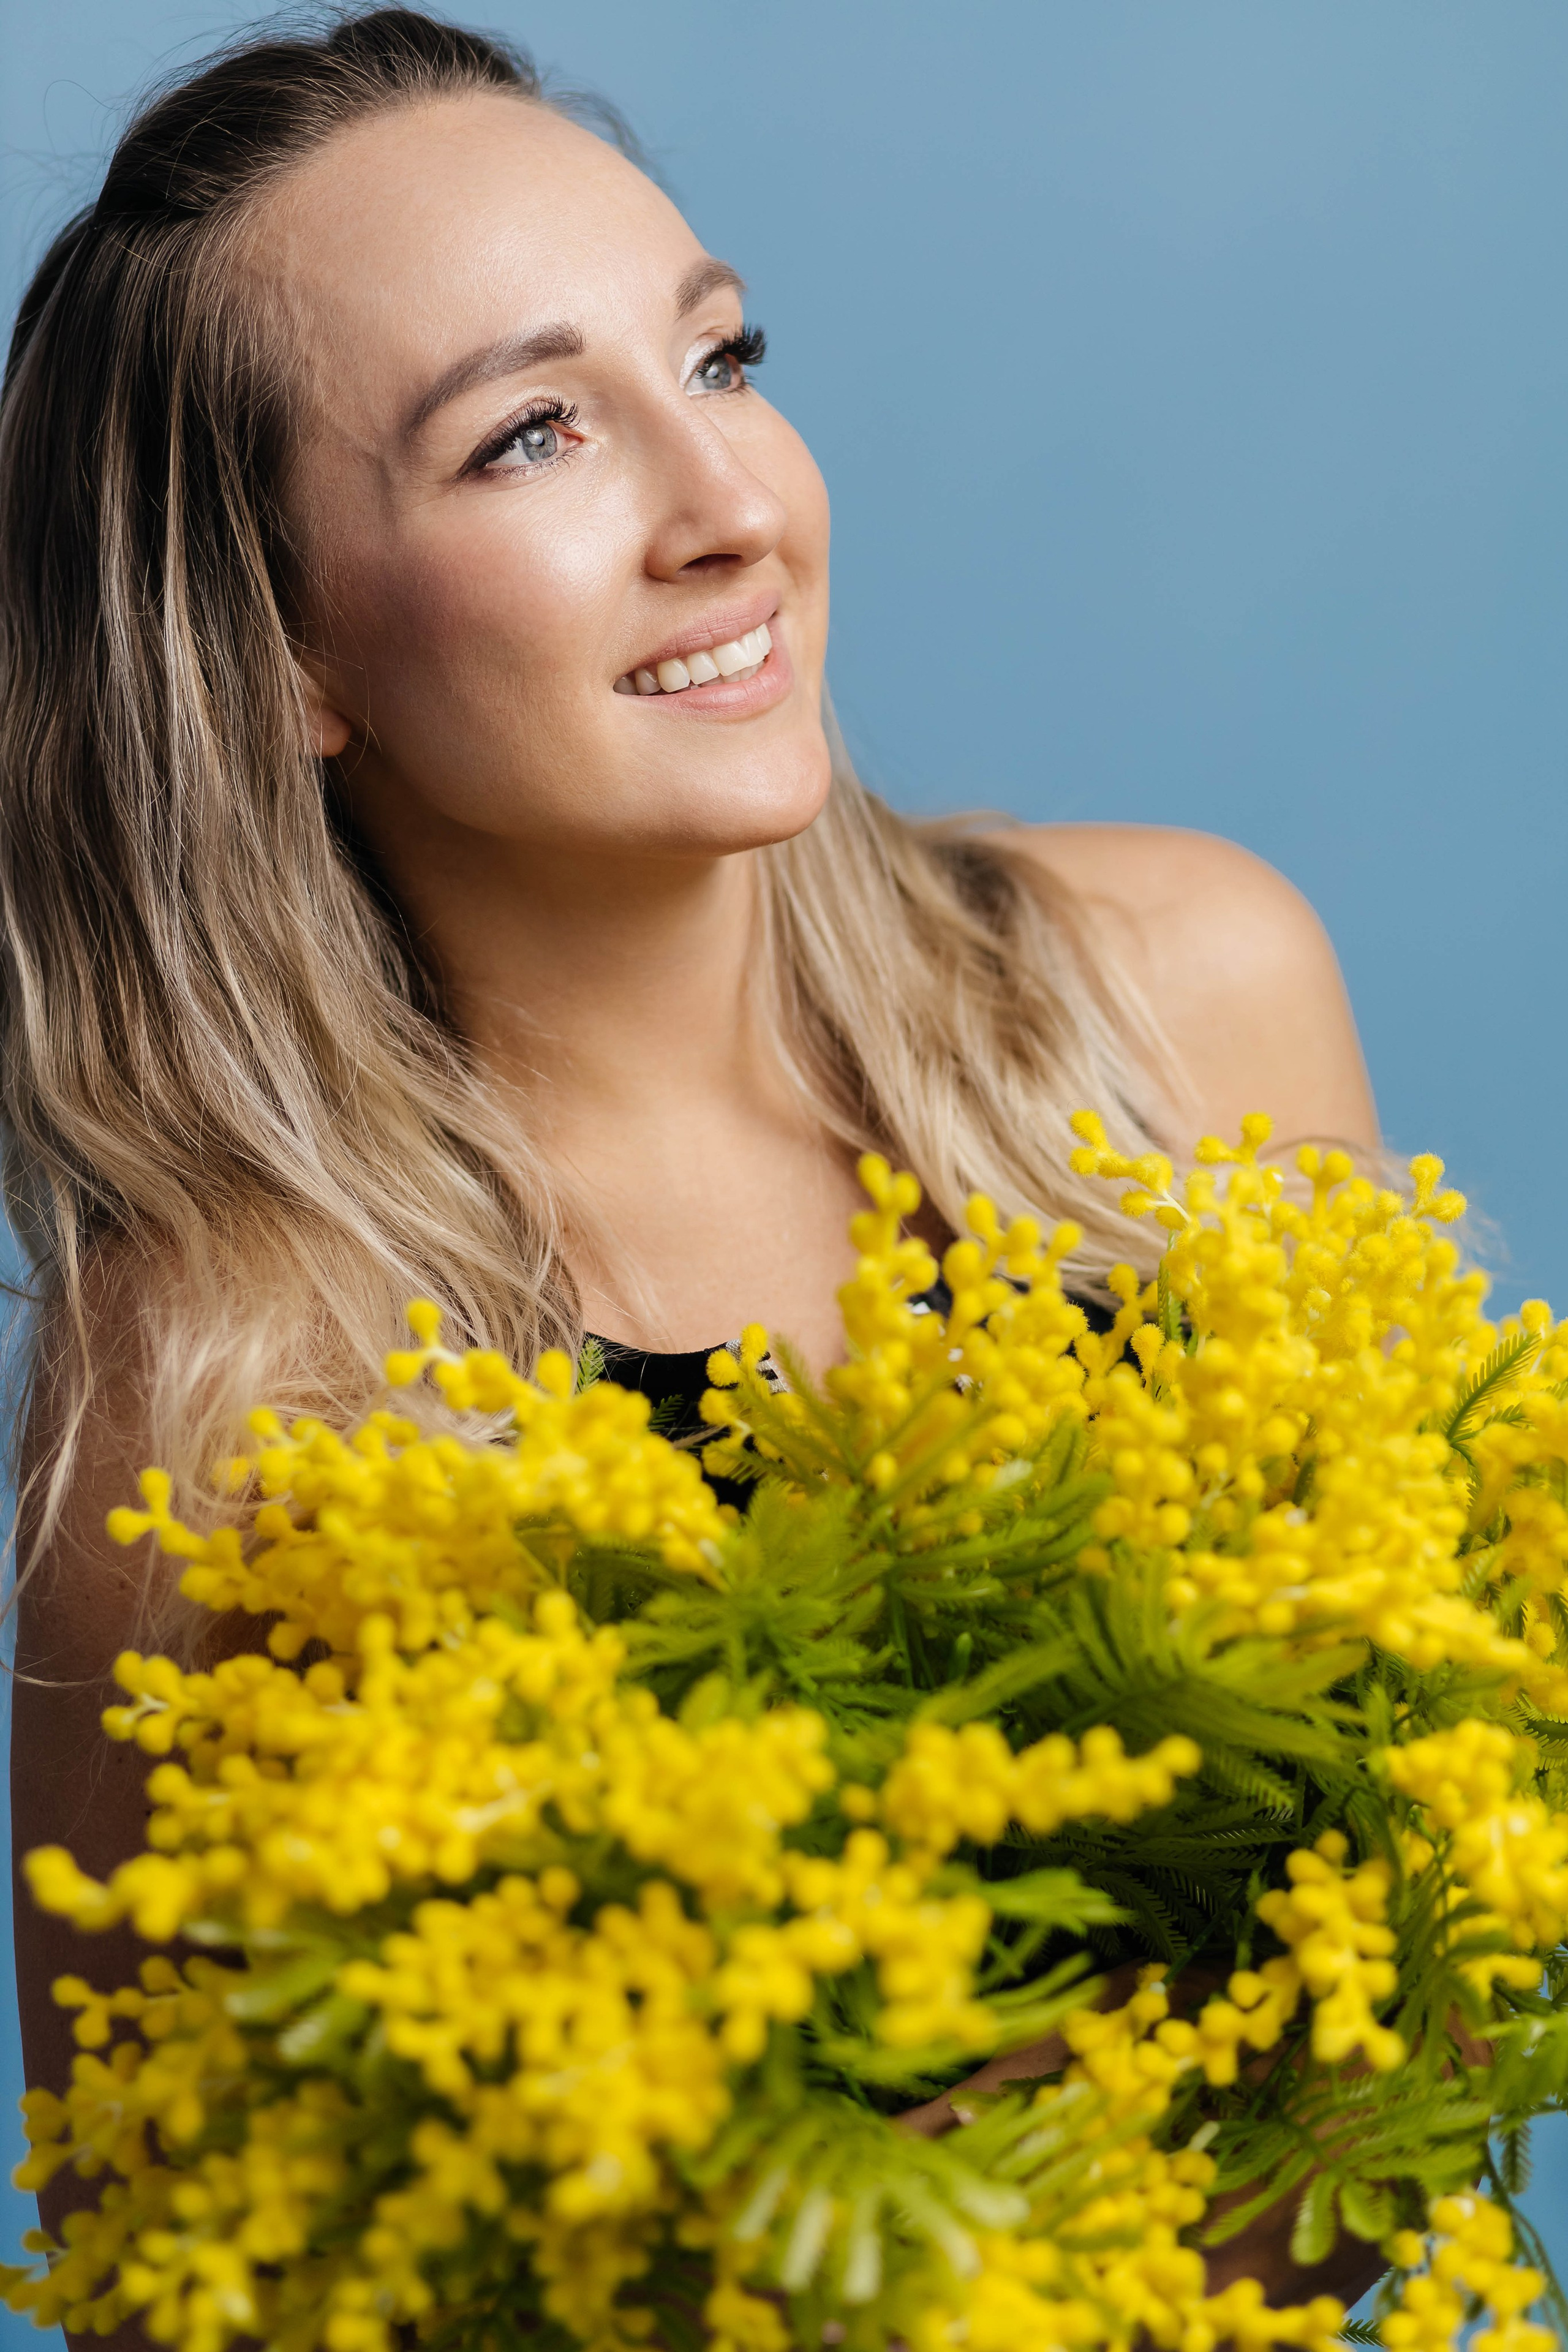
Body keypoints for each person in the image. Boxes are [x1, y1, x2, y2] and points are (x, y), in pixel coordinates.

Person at [0, 12, 1378, 2343]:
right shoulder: (235, 1398)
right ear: (289, 649)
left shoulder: (1195, 1001)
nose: (727, 502)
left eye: (721, 357)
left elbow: (1439, 1977)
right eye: (530, 433)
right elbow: (170, 2275)